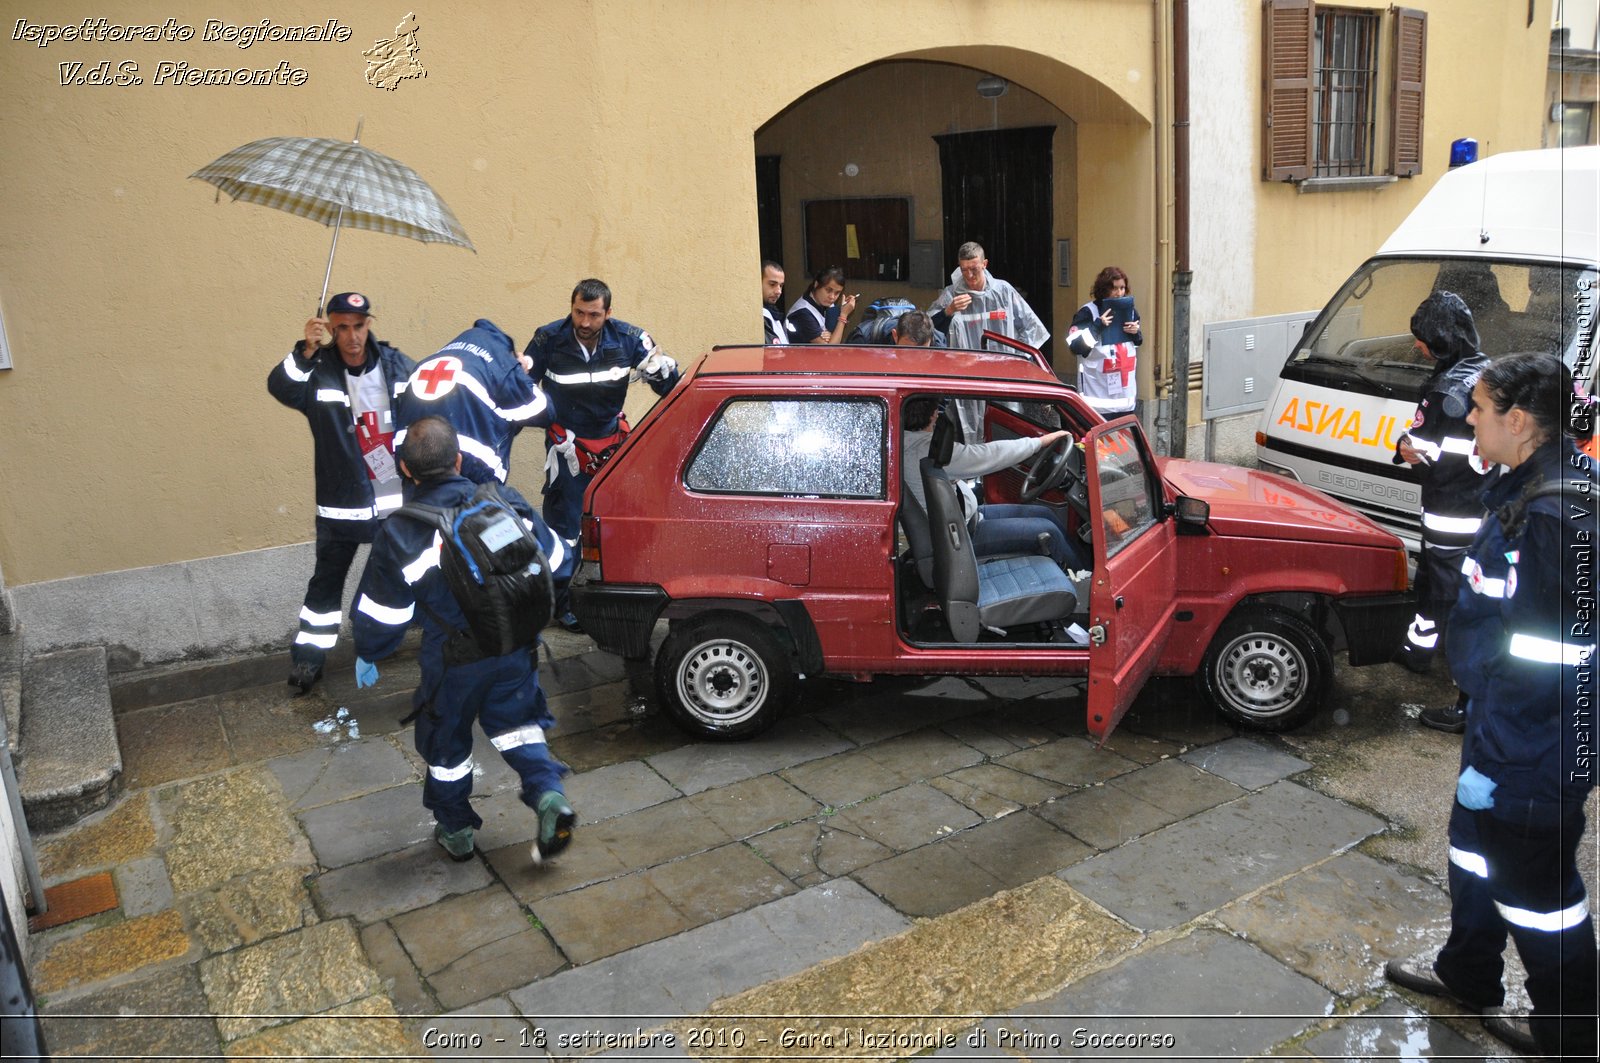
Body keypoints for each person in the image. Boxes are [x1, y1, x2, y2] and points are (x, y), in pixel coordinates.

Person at [1385, 352, 1597, 1061]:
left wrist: (1503, 747)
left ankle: (1568, 1027)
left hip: (1534, 743)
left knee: (1538, 892)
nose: (1467, 417)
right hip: (1500, 726)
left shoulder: (1557, 516)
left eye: (1479, 407)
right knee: (1472, 852)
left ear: (1520, 419)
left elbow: (1557, 661)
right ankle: (1468, 974)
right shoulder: (1530, 482)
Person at [350, 415, 577, 866]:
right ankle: (548, 793)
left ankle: (456, 831)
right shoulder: (502, 498)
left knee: (446, 745)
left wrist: (370, 651)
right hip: (513, 644)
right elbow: (559, 560)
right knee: (517, 725)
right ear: (458, 459)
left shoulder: (401, 531)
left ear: (405, 470)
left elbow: (384, 612)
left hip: (451, 660)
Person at [267, 292, 416, 695]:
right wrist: (304, 350)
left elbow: (430, 404)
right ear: (331, 329)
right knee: (326, 583)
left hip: (396, 500)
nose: (352, 337)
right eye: (342, 328)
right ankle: (308, 658)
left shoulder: (398, 365)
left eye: (359, 326)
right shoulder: (318, 370)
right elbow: (280, 387)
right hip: (342, 504)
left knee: (417, 570)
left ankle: (412, 636)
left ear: (370, 324)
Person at [526, 279, 679, 631]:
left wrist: (663, 371)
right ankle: (562, 604)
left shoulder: (629, 338)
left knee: (613, 522)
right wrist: (547, 422)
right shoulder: (547, 339)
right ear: (571, 307)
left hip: (611, 444)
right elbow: (520, 391)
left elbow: (670, 386)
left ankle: (613, 598)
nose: (584, 322)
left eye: (594, 314)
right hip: (566, 445)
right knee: (565, 525)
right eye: (579, 312)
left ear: (608, 313)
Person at [1390, 292, 1493, 734]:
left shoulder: (1446, 389)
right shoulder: (1487, 372)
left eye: (1423, 338)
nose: (1417, 345)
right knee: (1433, 585)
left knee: (1457, 604)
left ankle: (1468, 705)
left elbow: (1423, 447)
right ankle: (1417, 651)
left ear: (1442, 339)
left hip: (1449, 512)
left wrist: (1403, 445)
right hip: (1478, 510)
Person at [902, 396, 1086, 573]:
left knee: (1045, 513)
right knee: (1049, 531)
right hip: (963, 536)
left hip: (966, 520)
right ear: (933, 413)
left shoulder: (907, 443)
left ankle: (1079, 564)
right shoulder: (926, 449)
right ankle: (1086, 577)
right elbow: (990, 454)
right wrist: (1039, 442)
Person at [395, 319, 548, 486]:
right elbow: (545, 412)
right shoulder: (500, 363)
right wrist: (520, 373)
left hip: (411, 460)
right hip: (468, 464)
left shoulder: (431, 360)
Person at [927, 242, 1049, 440]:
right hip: (968, 379)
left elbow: (1032, 327)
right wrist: (947, 312)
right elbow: (928, 331)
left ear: (984, 264)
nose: (969, 276)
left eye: (974, 269)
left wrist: (1017, 361)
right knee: (971, 432)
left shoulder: (1003, 292)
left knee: (1005, 428)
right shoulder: (951, 294)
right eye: (964, 270)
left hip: (1003, 376)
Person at [1066, 266, 1143, 417]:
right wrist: (1097, 327)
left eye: (1122, 288)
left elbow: (1135, 345)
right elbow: (1075, 347)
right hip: (1097, 402)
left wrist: (1136, 334)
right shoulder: (1087, 313)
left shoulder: (1131, 312)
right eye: (1114, 288)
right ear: (1103, 289)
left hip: (1125, 401)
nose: (1119, 293)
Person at [786, 266, 858, 344]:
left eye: (837, 293)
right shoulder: (802, 313)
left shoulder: (825, 303)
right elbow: (830, 350)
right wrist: (843, 316)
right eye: (828, 290)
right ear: (816, 284)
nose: (832, 297)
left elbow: (832, 338)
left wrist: (831, 335)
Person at [761, 261, 793, 344]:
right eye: (772, 284)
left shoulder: (773, 312)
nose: (779, 291)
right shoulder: (761, 315)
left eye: (781, 285)